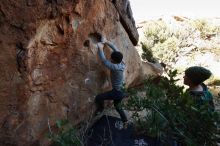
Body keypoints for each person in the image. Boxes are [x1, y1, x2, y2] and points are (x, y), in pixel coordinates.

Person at [94, 35, 128, 127]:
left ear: (113, 60)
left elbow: (104, 61)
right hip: (122, 90)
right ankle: (125, 121)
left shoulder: (115, 67)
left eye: (111, 59)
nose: (110, 59)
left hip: (117, 92)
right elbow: (115, 49)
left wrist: (100, 48)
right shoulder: (122, 62)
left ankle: (101, 109)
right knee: (117, 106)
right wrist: (106, 41)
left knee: (99, 97)